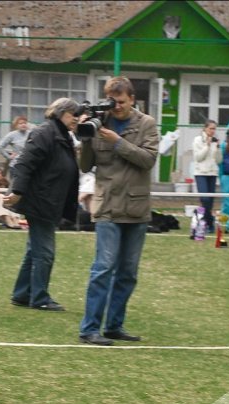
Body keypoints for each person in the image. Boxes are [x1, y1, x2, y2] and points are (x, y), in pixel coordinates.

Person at [77, 76, 159, 346]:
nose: (117, 107)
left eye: (122, 102)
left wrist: (117, 143)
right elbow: (86, 166)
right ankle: (89, 329)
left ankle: (114, 326)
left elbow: (147, 160)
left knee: (127, 272)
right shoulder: (100, 122)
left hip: (136, 208)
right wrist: (85, 139)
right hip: (108, 206)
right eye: (113, 102)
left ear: (132, 99)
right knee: (103, 268)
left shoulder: (146, 124)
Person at [3, 98, 80, 312]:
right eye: (73, 114)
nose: (76, 118)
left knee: (34, 250)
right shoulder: (45, 133)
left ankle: (22, 293)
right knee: (45, 252)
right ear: (61, 114)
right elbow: (25, 163)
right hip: (41, 201)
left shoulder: (60, 134)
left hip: (48, 200)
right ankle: (40, 297)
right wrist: (17, 191)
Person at [192, 120, 220, 233]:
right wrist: (207, 146)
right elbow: (198, 158)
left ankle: (208, 223)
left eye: (214, 129)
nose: (212, 131)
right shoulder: (197, 140)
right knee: (204, 199)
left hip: (212, 173)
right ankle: (209, 221)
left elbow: (219, 160)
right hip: (201, 173)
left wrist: (217, 149)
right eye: (211, 128)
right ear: (205, 128)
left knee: (210, 201)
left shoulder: (215, 141)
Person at [0, 115, 32, 182]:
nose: (23, 125)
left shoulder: (31, 134)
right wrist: (9, 156)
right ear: (16, 125)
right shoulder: (11, 135)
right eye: (20, 123)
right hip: (16, 165)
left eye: (25, 123)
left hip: (28, 165)